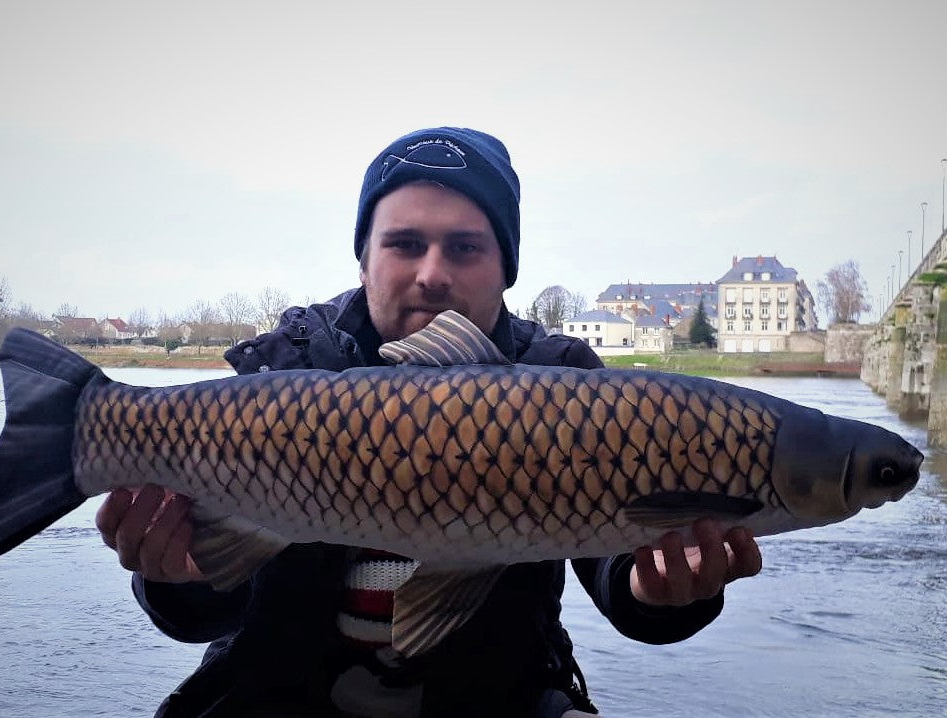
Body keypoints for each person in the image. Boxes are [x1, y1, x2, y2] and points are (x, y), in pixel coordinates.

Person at [96, 127, 762, 717]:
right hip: (272, 689)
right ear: (365, 259)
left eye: (466, 248)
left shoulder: (566, 384)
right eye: (405, 245)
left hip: (498, 696)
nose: (432, 274)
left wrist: (659, 591)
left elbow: (619, 571)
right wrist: (176, 575)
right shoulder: (281, 375)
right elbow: (201, 607)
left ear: (506, 270)